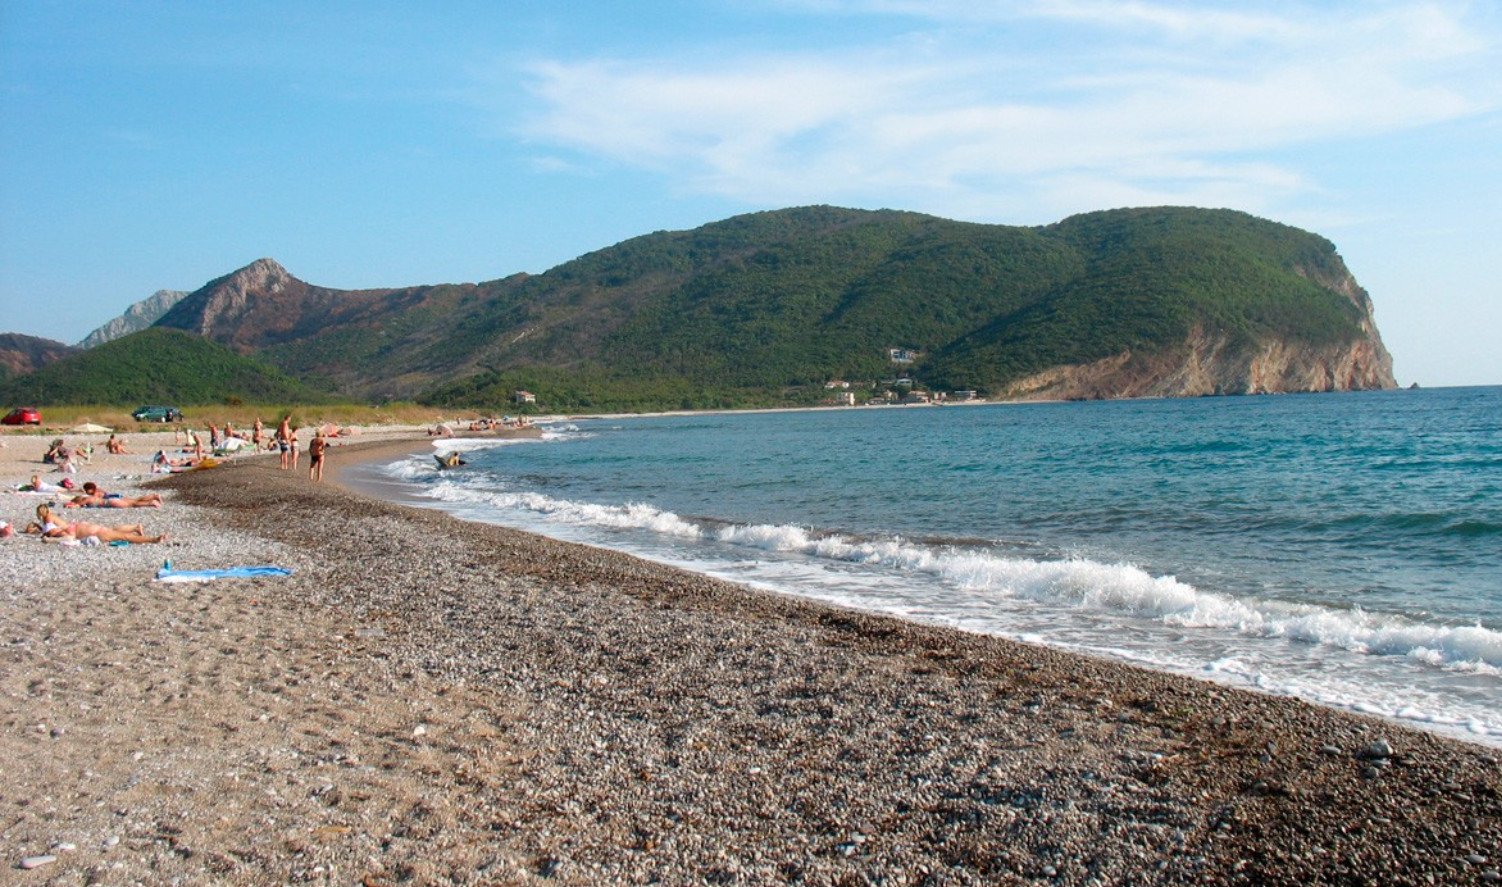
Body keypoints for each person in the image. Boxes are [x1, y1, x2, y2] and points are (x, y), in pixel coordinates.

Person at [27, 503, 165, 544]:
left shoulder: (57, 525)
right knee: (123, 536)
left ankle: (150, 537)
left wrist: (49, 539)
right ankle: (151, 538)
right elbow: (68, 537)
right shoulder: (61, 530)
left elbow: (66, 534)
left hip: (96, 531)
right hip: (96, 532)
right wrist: (49, 537)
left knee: (122, 535)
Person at [64, 482, 163, 508]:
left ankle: (151, 502)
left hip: (110, 500)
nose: (86, 492)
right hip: (114, 496)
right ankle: (153, 496)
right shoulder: (98, 490)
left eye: (87, 490)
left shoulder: (92, 496)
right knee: (135, 500)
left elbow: (79, 504)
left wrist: (72, 503)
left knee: (133, 503)